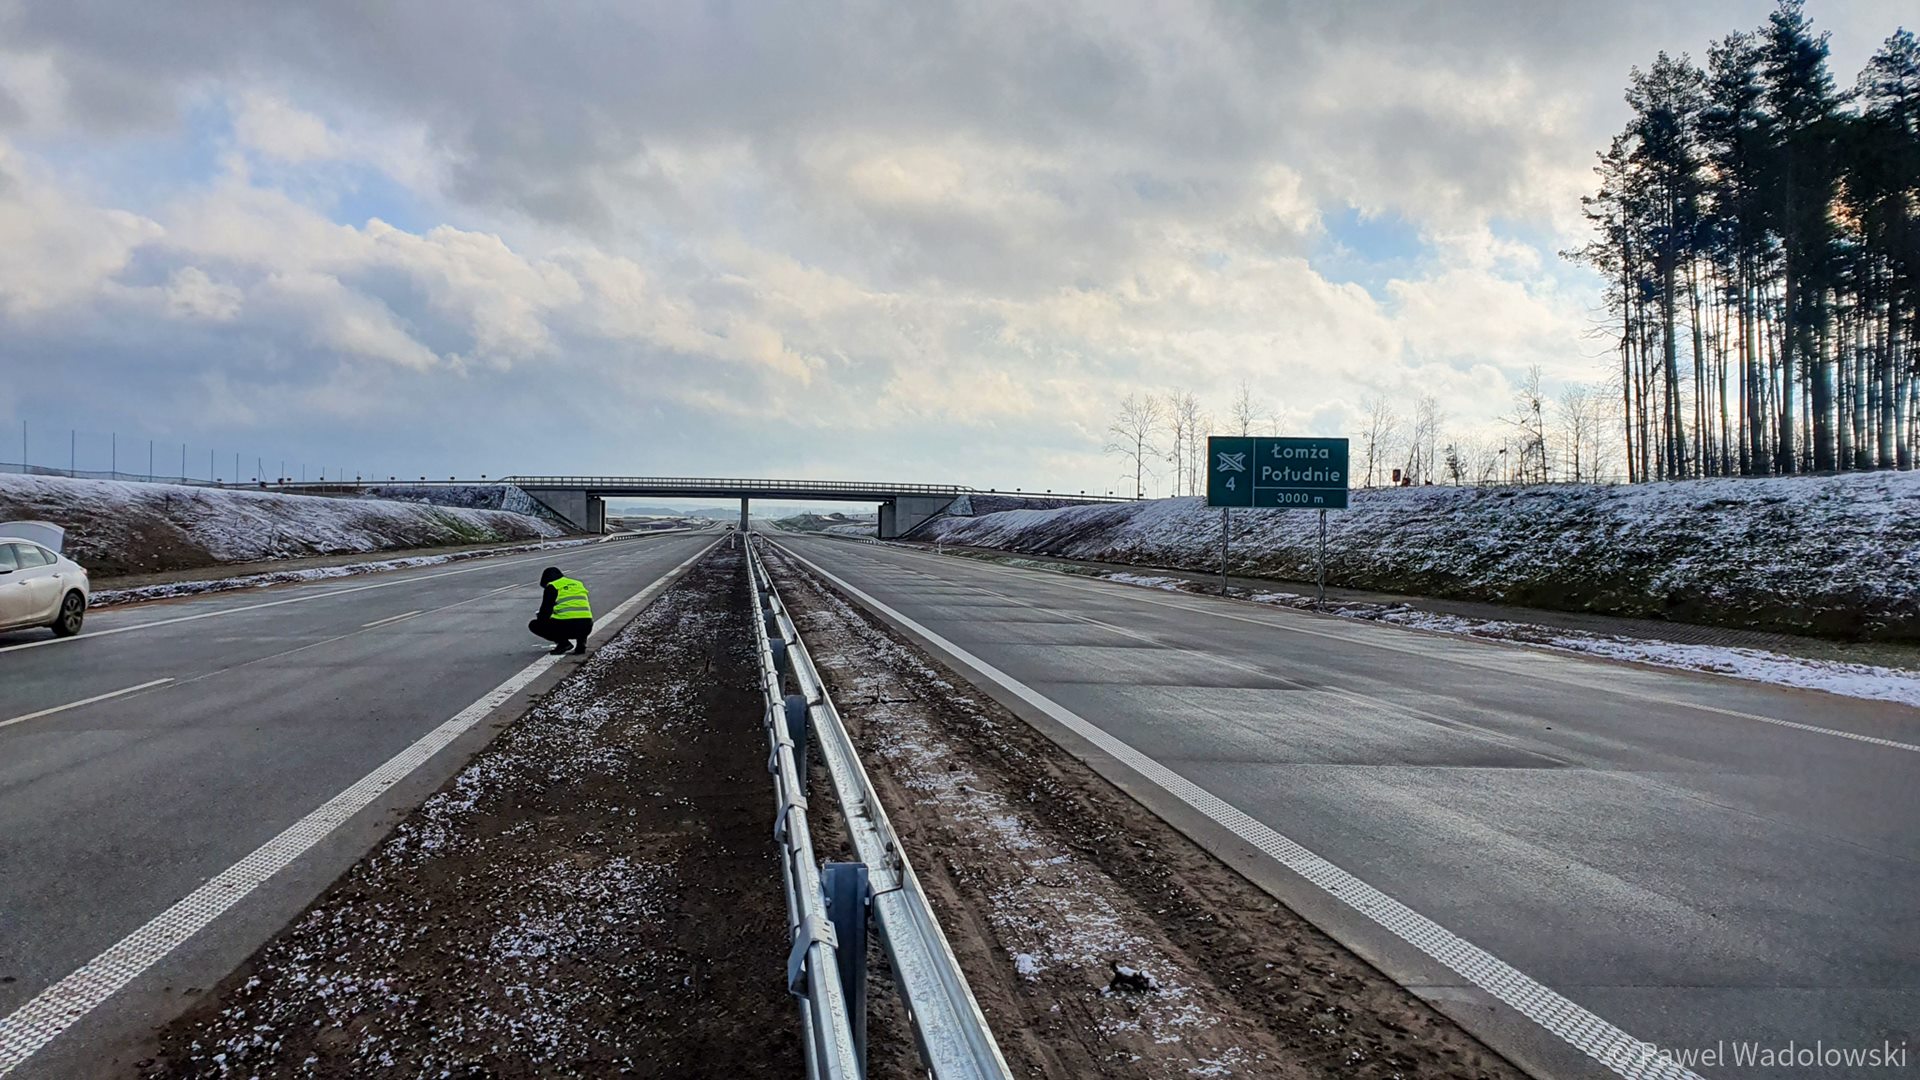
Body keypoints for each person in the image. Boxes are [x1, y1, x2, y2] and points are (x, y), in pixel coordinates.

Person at [529, 566, 592, 655]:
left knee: (534, 624)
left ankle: (563, 643)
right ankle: (581, 645)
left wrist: (540, 618)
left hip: (566, 628)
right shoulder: (578, 584)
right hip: (586, 627)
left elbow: (545, 612)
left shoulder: (552, 586)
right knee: (580, 617)